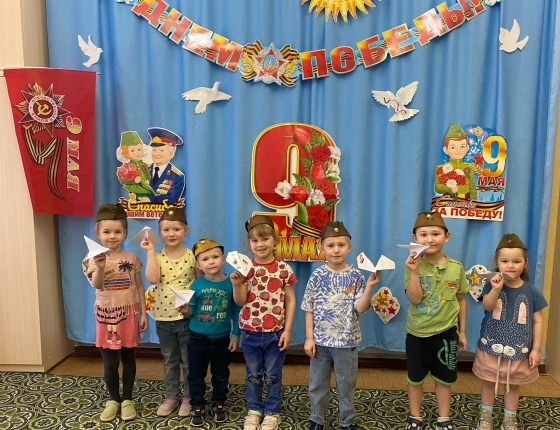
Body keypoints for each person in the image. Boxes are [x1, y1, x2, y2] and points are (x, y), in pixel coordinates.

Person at [301, 221, 381, 430]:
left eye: (341, 245)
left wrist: (369, 287)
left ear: (349, 247)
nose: (336, 250)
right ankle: (317, 419)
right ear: (322, 248)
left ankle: (346, 421)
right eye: (330, 245)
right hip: (320, 342)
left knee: (346, 384)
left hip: (346, 342)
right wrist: (309, 338)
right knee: (317, 383)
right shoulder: (317, 275)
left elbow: (361, 308)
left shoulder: (356, 276)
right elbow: (309, 308)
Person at [472, 234, 547, 430]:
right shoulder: (490, 285)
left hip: (518, 351)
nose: (510, 265)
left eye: (516, 261)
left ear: (525, 263)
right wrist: (496, 290)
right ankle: (486, 416)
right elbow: (488, 307)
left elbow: (538, 321)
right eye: (504, 261)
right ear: (497, 263)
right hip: (490, 347)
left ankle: (510, 418)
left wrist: (536, 350)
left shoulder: (532, 292)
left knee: (513, 384)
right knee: (489, 382)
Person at [230, 215, 297, 430]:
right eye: (255, 240)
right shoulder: (245, 268)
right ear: (249, 243)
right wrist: (236, 285)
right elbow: (240, 301)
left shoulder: (284, 269)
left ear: (274, 240)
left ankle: (272, 411)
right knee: (253, 375)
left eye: (265, 239)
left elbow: (290, 300)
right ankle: (254, 409)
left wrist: (287, 330)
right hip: (249, 332)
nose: (260, 244)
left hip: (276, 333)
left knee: (273, 375)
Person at [403, 211, 468, 430]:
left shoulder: (456, 267)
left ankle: (443, 418)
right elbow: (414, 299)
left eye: (435, 234)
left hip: (447, 332)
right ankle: (415, 417)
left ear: (446, 237)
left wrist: (462, 331)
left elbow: (461, 299)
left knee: (444, 378)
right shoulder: (411, 265)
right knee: (415, 378)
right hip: (417, 332)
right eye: (423, 234)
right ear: (415, 239)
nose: (429, 239)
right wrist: (414, 272)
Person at [83, 203, 147, 422]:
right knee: (110, 363)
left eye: (117, 231)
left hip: (128, 313)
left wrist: (143, 313)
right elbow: (97, 284)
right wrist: (101, 267)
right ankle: (113, 399)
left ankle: (127, 399)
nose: (112, 236)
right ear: (98, 233)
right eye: (107, 232)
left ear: (125, 233)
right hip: (105, 315)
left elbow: (139, 286)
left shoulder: (132, 258)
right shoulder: (92, 258)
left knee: (128, 358)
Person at [176, 238, 241, 427]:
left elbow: (236, 310)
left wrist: (235, 334)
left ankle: (219, 402)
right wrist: (186, 311)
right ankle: (197, 404)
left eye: (215, 257)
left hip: (222, 338)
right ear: (198, 264)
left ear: (223, 259)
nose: (211, 262)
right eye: (205, 259)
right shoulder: (196, 285)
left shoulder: (231, 283)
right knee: (196, 374)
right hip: (198, 339)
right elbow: (192, 311)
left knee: (220, 374)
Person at [141, 207, 198, 417]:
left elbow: (200, 283)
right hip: (164, 319)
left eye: (176, 229)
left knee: (188, 361)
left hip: (187, 318)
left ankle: (189, 397)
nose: (171, 233)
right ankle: (171, 396)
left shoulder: (193, 256)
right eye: (166, 230)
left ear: (185, 231)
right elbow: (152, 279)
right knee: (169, 360)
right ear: (160, 232)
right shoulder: (157, 256)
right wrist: (149, 252)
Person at [133, 127, 185, 205]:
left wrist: (151, 200)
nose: (156, 154)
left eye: (161, 150)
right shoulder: (143, 169)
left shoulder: (177, 176)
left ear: (171, 154)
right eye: (154, 150)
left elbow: (172, 199)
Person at [434, 124, 478, 201]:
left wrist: (474, 199)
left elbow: (472, 186)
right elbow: (438, 188)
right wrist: (449, 188)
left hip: (466, 202)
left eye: (462, 146)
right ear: (446, 150)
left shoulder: (469, 167)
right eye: (453, 147)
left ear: (467, 148)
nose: (458, 151)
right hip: (449, 202)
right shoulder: (440, 168)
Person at [116, 130, 156, 200]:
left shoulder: (144, 164)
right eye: (132, 150)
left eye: (139, 149)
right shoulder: (125, 167)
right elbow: (123, 180)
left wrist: (147, 180)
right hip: (135, 189)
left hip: (147, 189)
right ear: (126, 153)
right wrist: (133, 181)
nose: (137, 153)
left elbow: (147, 174)